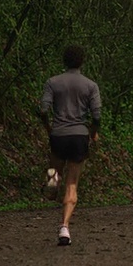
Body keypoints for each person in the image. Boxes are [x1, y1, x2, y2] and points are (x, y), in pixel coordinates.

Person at [39, 45, 101, 246]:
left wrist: (49, 128)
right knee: (72, 182)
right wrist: (93, 133)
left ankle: (51, 189)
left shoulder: (52, 82)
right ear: (82, 61)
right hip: (78, 136)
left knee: (54, 170)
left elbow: (43, 109)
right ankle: (64, 226)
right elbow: (97, 115)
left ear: (64, 61)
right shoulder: (90, 86)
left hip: (58, 134)